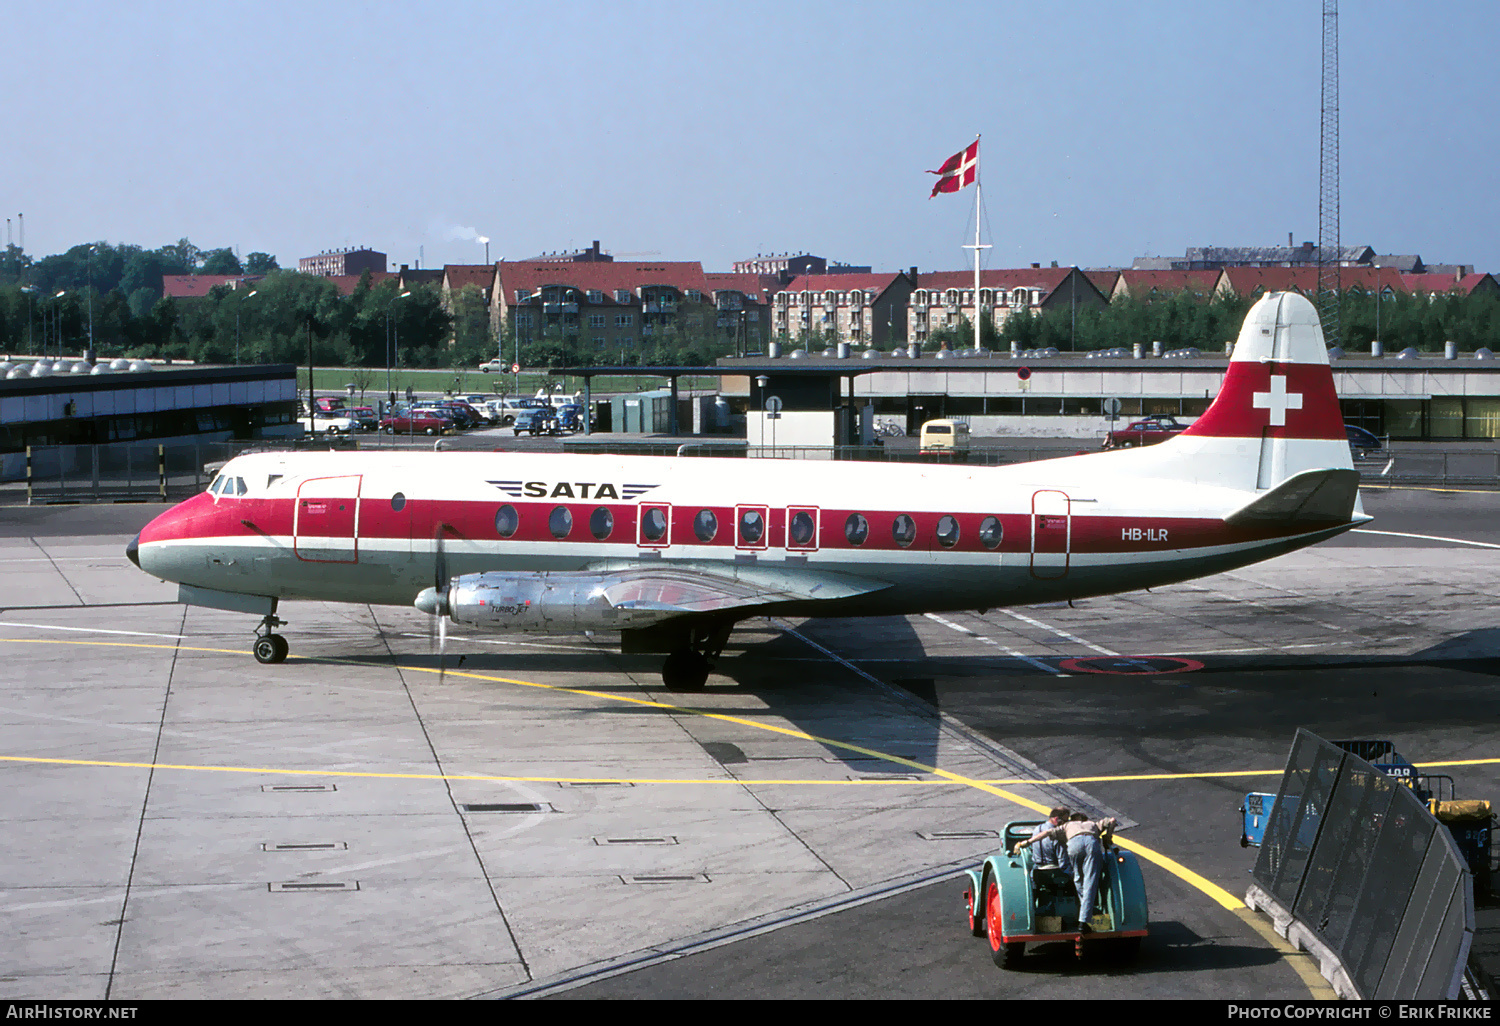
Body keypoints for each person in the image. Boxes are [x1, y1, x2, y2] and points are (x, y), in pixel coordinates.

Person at [1012, 813, 1119, 932]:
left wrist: (1027, 842)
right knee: (1090, 880)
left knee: (1078, 879)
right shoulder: (1093, 824)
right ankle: (1084, 919)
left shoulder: (1067, 825)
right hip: (1091, 844)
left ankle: (1083, 911)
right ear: (1084, 819)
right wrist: (1108, 837)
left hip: (1074, 844)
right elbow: (1112, 820)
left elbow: (1046, 833)